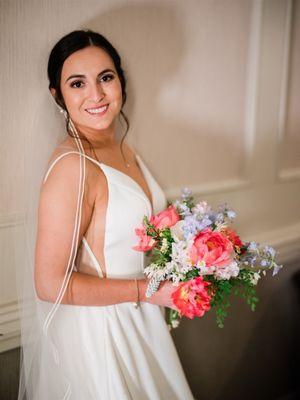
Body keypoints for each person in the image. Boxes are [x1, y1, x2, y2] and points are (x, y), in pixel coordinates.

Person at [18, 29, 194, 399]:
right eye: (77, 83)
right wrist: (148, 290)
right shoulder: (73, 167)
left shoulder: (125, 150)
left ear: (120, 82)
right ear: (58, 95)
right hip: (102, 332)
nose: (96, 95)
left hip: (141, 317)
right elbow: (50, 284)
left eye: (105, 78)